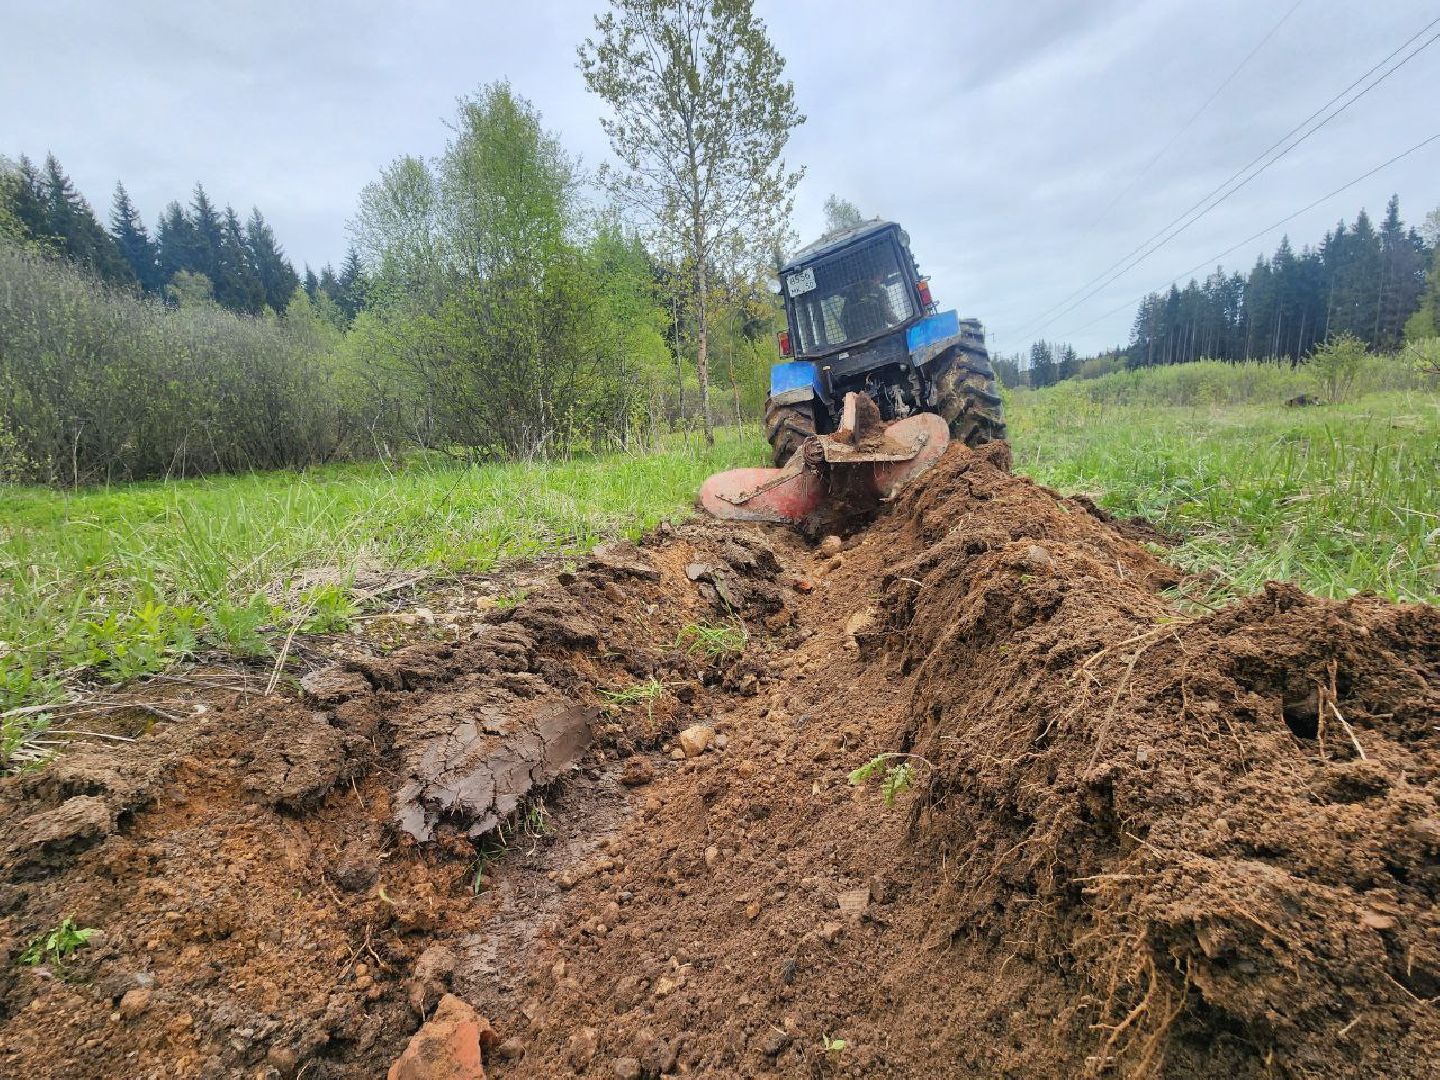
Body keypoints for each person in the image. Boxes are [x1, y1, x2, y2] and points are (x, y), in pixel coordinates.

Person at [837, 266, 894, 341]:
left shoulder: (851, 296)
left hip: (858, 340)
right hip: (880, 337)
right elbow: (888, 314)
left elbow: (843, 320)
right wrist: (899, 324)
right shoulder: (880, 292)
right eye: (880, 275)